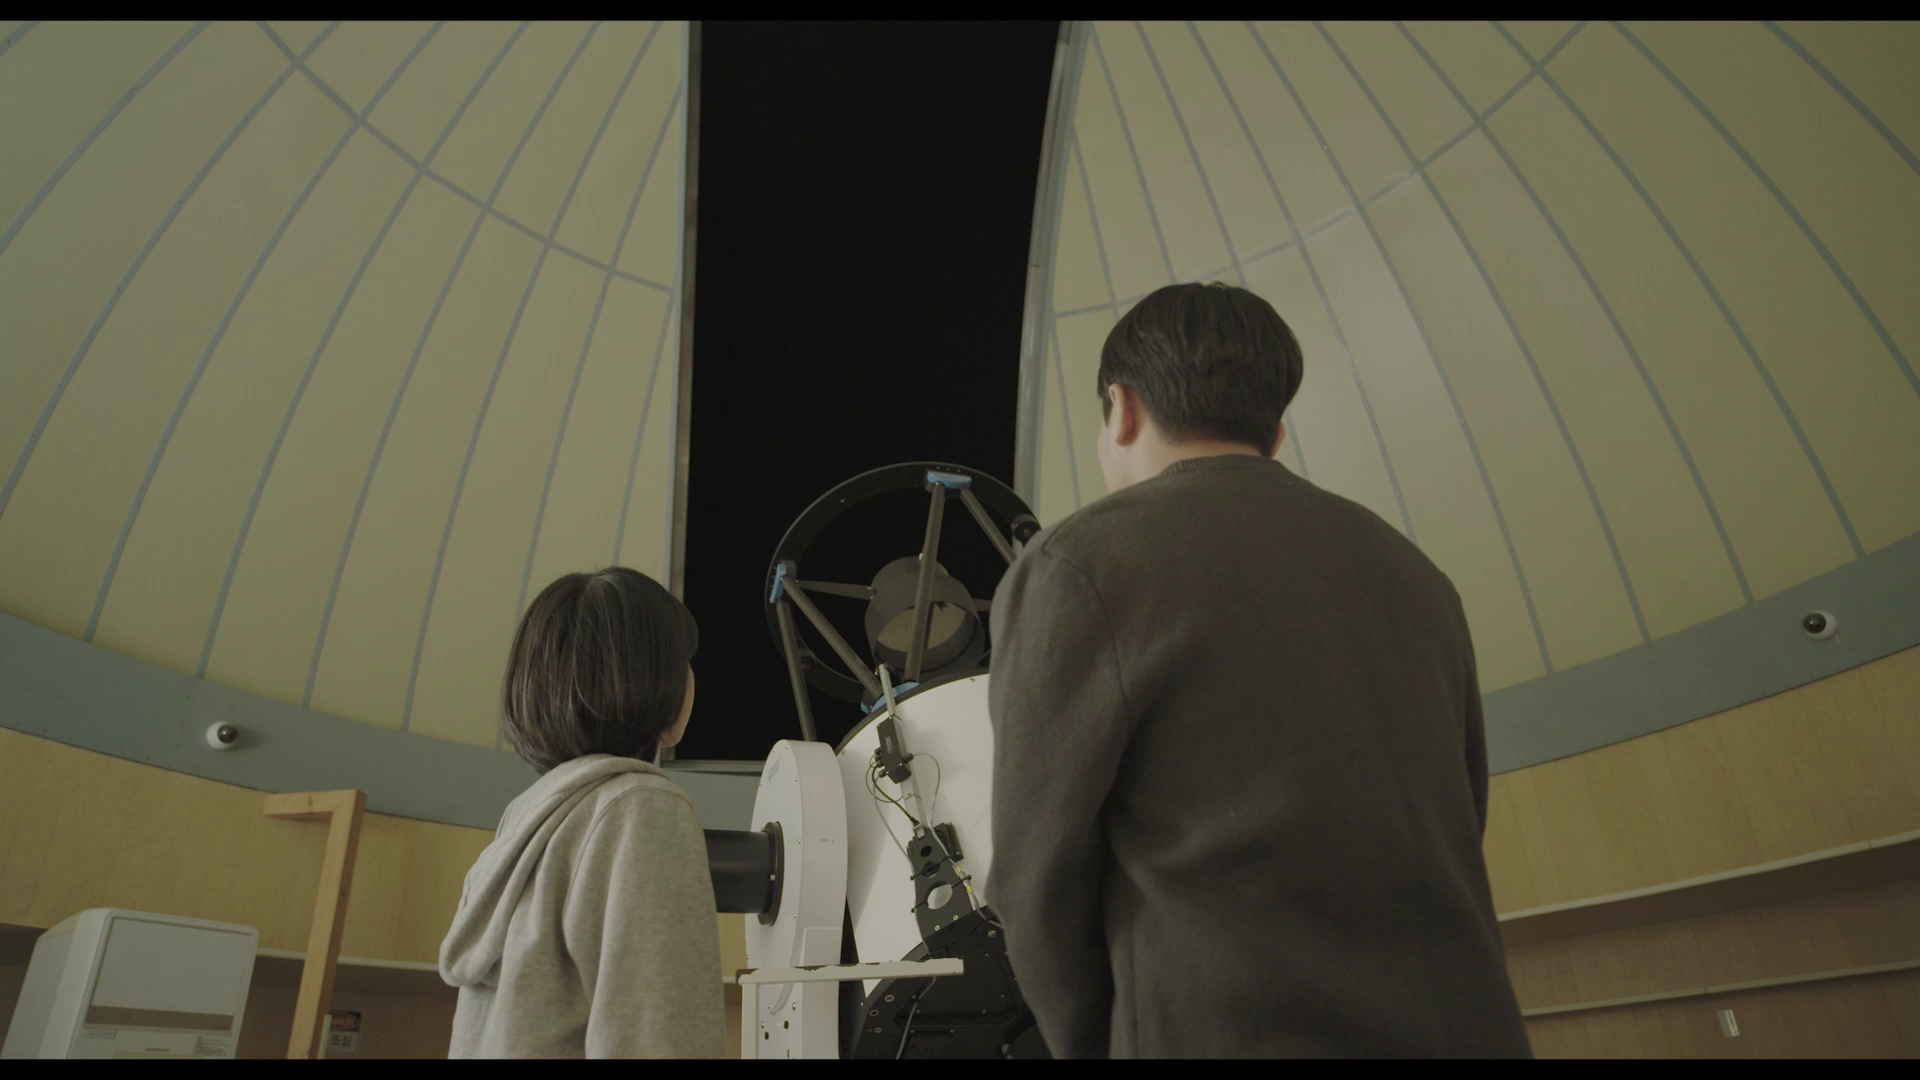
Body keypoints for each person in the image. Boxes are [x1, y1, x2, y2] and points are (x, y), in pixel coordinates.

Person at [985, 282, 1531, 1058]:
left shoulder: (1078, 566)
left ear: (1123, 407)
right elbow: (1463, 813)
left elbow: (1036, 881)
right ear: (1274, 432)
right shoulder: (1417, 576)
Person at [439, 567, 725, 1058]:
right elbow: (658, 1038)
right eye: (684, 660)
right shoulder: (639, 807)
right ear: (651, 677)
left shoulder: (525, 819)